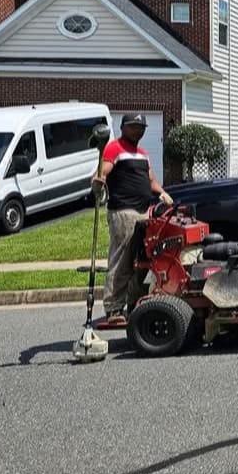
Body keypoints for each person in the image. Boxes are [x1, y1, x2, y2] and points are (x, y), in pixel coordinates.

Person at [91, 113, 172, 329]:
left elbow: (151, 180)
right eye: (134, 126)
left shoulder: (142, 153)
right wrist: (98, 181)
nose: (139, 130)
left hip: (145, 212)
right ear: (124, 127)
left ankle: (133, 303)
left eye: (141, 127)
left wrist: (162, 193)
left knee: (142, 262)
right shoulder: (114, 148)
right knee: (122, 261)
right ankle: (114, 308)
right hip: (123, 213)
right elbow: (102, 172)